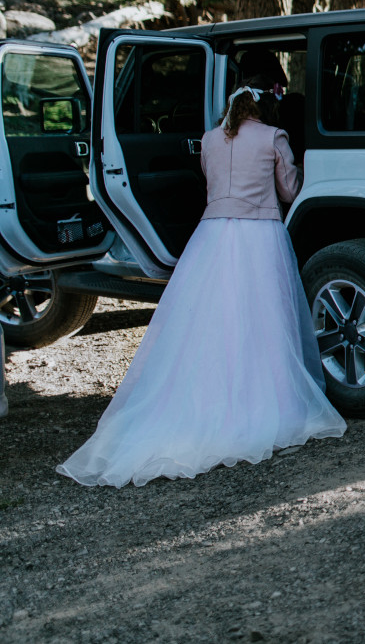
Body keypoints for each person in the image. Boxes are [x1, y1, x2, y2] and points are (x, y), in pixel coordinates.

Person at [57, 76, 345, 487]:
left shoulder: (210, 140)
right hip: (259, 234)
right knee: (264, 318)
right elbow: (287, 190)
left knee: (209, 322)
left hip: (211, 236)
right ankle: (268, 402)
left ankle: (205, 400)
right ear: (263, 110)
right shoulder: (274, 136)